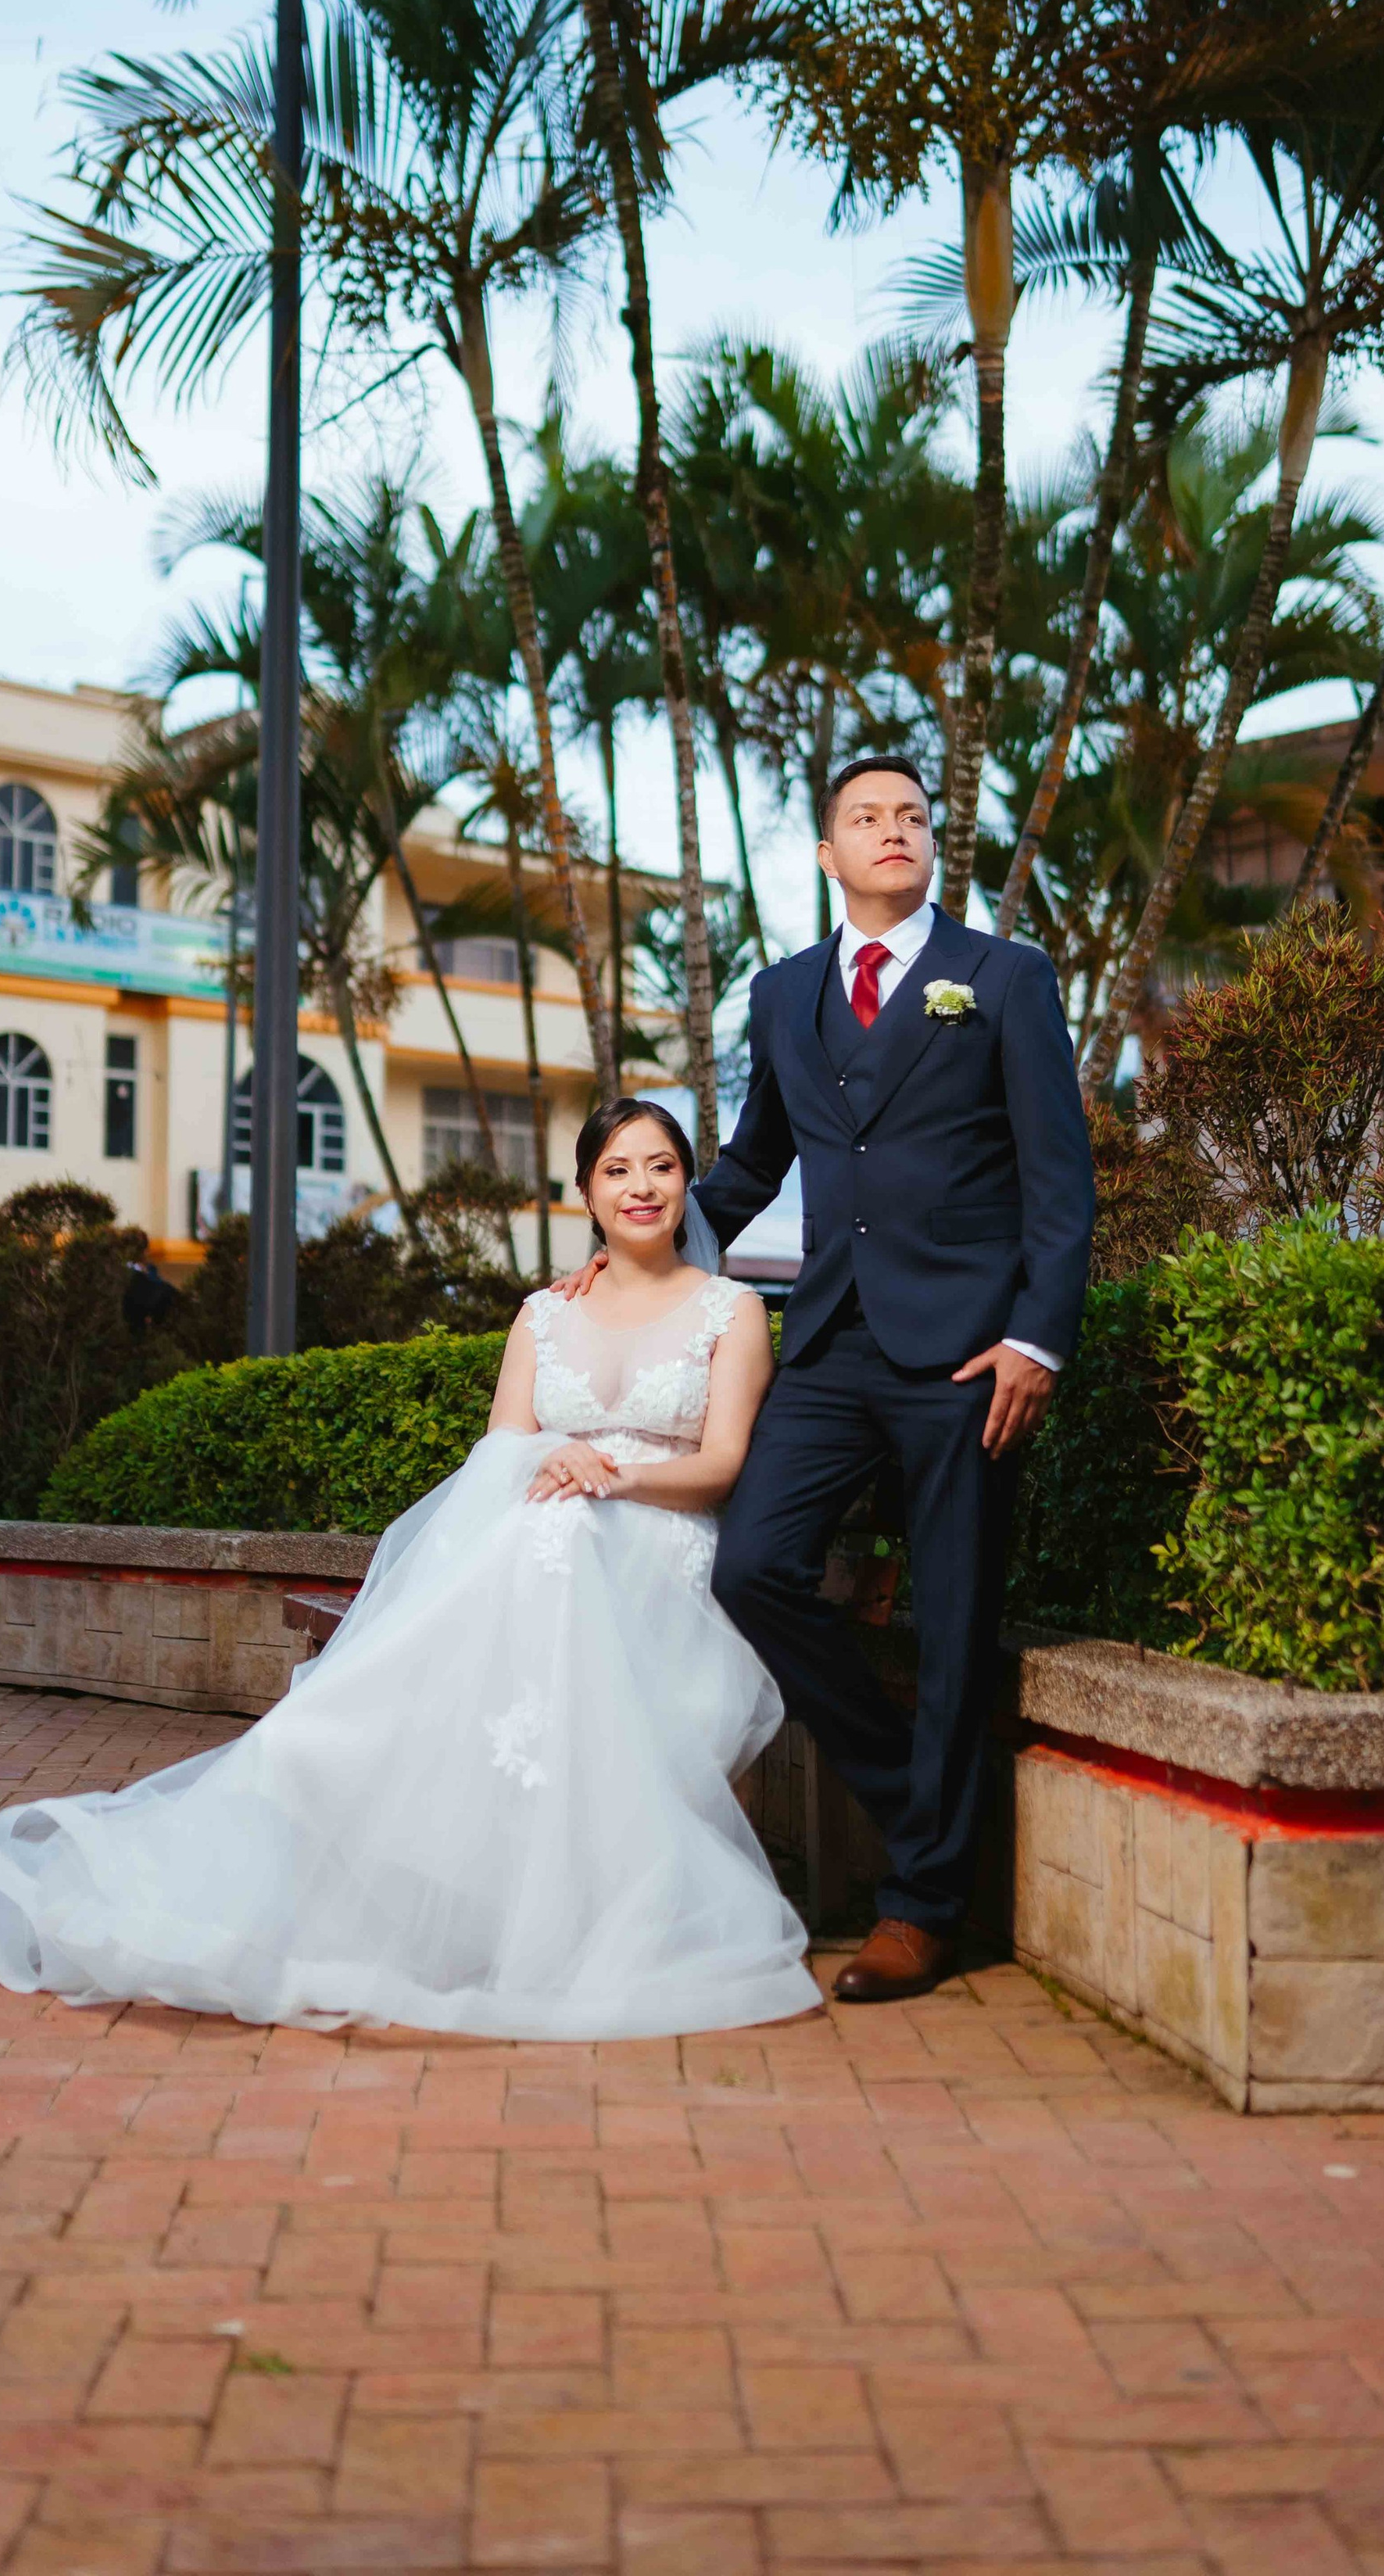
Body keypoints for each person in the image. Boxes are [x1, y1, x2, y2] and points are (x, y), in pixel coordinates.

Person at [0, 1098, 819, 2041]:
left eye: (660, 1167)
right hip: (549, 1537)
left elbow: (720, 1468)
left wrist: (608, 1479)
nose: (641, 1187)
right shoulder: (543, 1314)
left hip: (657, 1546)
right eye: (616, 1170)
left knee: (563, 1539)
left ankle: (413, 1790)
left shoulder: (727, 1310)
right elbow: (503, 1447)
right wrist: (553, 1462)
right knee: (551, 1539)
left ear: (685, 1182)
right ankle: (332, 1759)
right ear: (584, 1192)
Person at [574, 758, 1094, 2005]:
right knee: (755, 1564)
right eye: (868, 818)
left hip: (971, 1354)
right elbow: (754, 1162)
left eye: (912, 817)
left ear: (930, 846)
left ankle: (923, 1910)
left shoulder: (1005, 977)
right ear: (829, 854)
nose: (895, 831)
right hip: (832, 1342)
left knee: (961, 1627)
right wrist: (627, 1241)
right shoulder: (786, 992)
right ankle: (926, 1803)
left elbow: (1058, 1180)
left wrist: (1038, 1340)